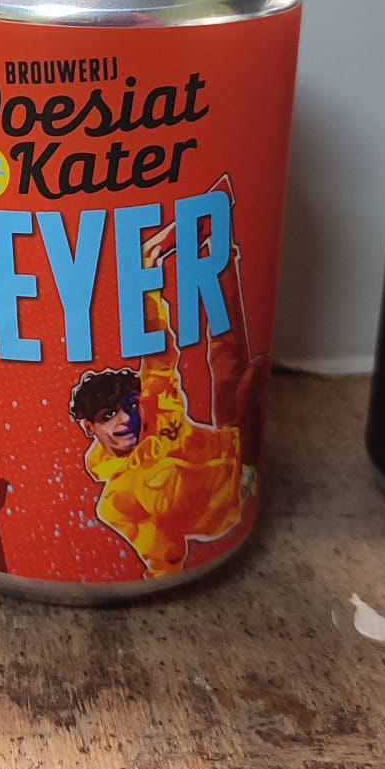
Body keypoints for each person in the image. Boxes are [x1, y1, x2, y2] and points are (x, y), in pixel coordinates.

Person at [69, 224, 267, 579]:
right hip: (234, 496)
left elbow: (157, 348)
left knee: (226, 360)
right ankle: (248, 468)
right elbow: (163, 555)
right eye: (108, 415)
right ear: (89, 427)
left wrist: (149, 272)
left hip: (231, 438)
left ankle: (217, 247)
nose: (125, 419)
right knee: (251, 381)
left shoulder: (153, 406)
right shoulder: (119, 502)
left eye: (129, 405)